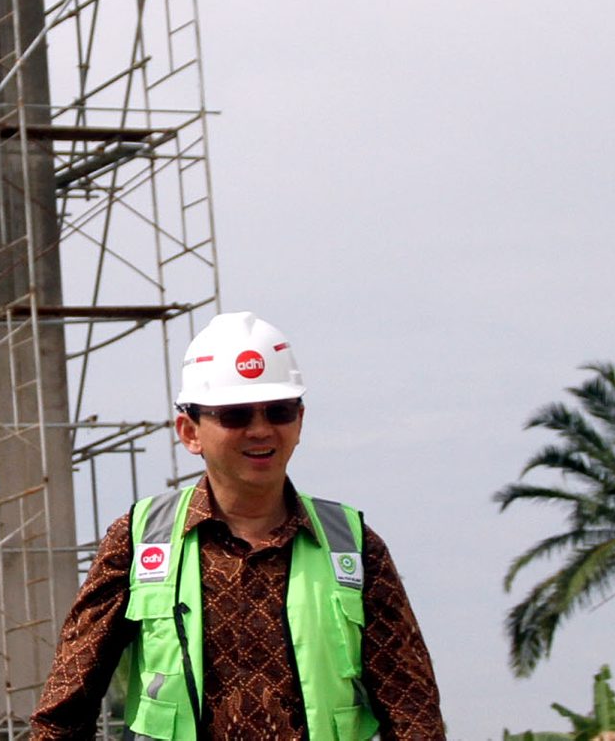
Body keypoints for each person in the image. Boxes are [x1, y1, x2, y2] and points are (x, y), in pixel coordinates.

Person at [31, 311, 445, 741]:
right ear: (189, 431)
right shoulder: (138, 541)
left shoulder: (354, 548)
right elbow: (63, 710)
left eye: (279, 411)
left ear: (299, 421)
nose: (261, 429)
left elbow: (413, 714)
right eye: (236, 415)